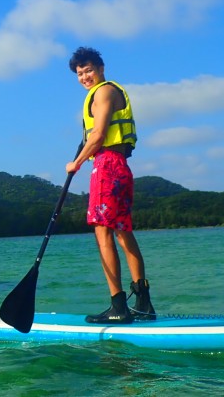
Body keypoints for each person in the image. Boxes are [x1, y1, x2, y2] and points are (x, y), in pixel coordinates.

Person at [65, 47, 156, 324]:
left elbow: (99, 136)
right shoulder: (106, 92)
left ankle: (119, 306)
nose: (84, 77)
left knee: (104, 233)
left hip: (106, 166)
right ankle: (143, 303)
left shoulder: (104, 92)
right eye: (80, 73)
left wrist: (76, 163)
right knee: (122, 233)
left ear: (101, 68)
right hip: (118, 167)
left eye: (88, 70)